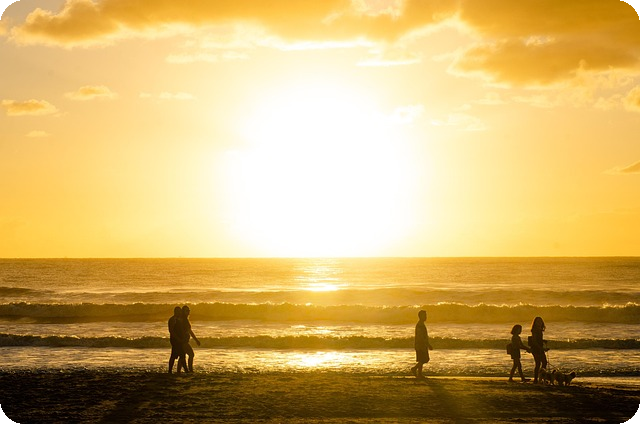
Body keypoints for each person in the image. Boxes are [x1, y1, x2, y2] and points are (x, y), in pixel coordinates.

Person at [410, 310, 433, 379]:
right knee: (424, 359)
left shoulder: (421, 324)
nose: (426, 317)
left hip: (421, 345)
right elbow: (421, 337)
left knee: (422, 359)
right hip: (420, 345)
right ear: (420, 316)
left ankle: (419, 373)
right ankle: (415, 369)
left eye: (426, 315)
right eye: (424, 316)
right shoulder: (420, 325)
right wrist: (428, 344)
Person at [181, 305, 201, 372]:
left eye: (189, 310)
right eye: (187, 310)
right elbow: (190, 331)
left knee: (182, 356)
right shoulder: (184, 320)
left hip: (184, 341)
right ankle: (190, 369)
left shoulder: (184, 319)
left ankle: (179, 371)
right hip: (183, 341)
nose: (188, 312)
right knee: (191, 354)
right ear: (183, 311)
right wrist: (196, 340)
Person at [168, 306, 187, 374]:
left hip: (179, 340)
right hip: (175, 340)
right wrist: (178, 339)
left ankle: (185, 370)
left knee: (180, 355)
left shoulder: (179, 319)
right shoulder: (172, 319)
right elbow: (171, 331)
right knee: (177, 355)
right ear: (175, 312)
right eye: (178, 311)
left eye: (180, 311)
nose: (179, 313)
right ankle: (170, 370)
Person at [529, 316, 548, 383]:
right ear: (535, 323)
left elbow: (538, 339)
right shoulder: (534, 330)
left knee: (544, 362)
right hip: (536, 348)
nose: (539, 323)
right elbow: (534, 341)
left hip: (539, 348)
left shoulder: (539, 330)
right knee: (538, 363)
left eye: (540, 321)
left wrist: (543, 341)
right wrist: (541, 348)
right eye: (538, 322)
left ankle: (541, 377)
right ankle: (536, 378)